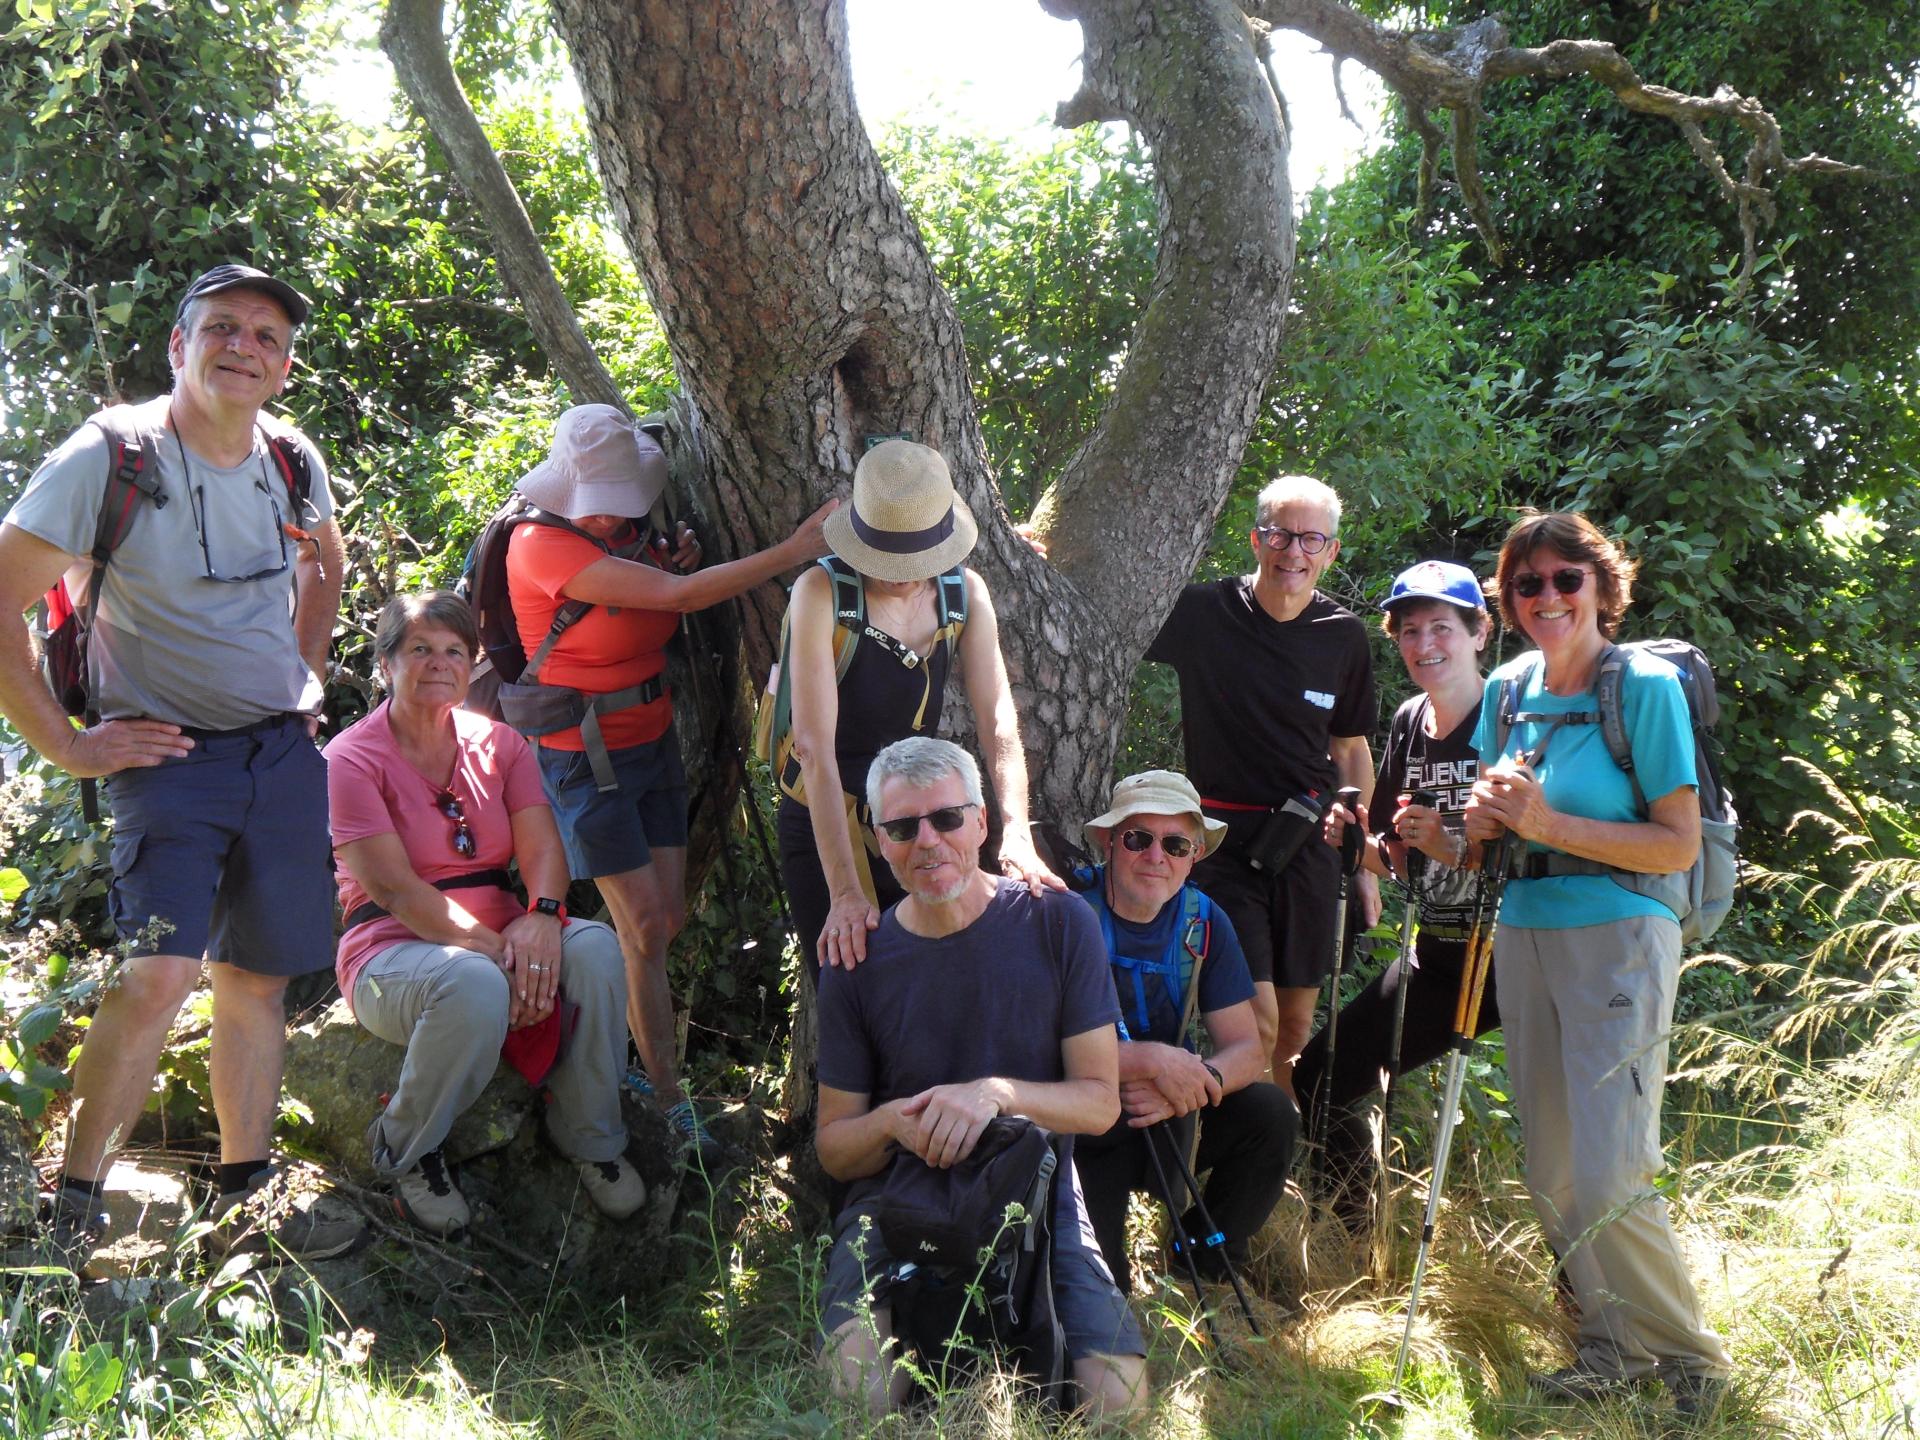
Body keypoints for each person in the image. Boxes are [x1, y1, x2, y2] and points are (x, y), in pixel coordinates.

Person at [0, 263, 360, 1269]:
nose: (244, 345)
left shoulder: (290, 458)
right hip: (165, 759)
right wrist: (65, 744)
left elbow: (327, 560)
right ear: (179, 346)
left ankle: (248, 1191)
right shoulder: (107, 457)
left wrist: (307, 665)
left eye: (267, 337)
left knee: (257, 977)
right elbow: (1, 600)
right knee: (159, 974)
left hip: (282, 755)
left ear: (284, 369)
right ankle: (74, 1202)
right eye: (223, 329)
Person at [503, 403, 834, 1152]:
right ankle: (667, 1097)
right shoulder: (538, 545)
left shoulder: (630, 535)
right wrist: (795, 549)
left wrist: (670, 558)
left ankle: (621, 1052)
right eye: (601, 504)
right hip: (582, 759)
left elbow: (665, 589)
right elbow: (681, 602)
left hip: (650, 744)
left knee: (665, 920)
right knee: (646, 926)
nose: (609, 516)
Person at [1464, 512, 1730, 1411]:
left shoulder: (1643, 687)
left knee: (1614, 1166)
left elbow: (1676, 846)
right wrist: (1456, 832)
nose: (1545, 598)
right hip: (1525, 928)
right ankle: (1613, 1354)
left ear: (1601, 588)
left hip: (1620, 935)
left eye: (1564, 580)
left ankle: (1695, 1365)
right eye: (1525, 584)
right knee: (1554, 1166)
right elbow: (1490, 838)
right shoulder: (1504, 689)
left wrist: (1546, 824)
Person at [814, 737, 1146, 1421]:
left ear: (981, 823)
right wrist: (893, 1123)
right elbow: (836, 1150)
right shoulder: (855, 959)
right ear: (879, 842)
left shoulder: (1058, 923)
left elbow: (1099, 1103)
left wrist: (995, 1095)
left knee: (1118, 1404)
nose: (927, 842)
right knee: (857, 1397)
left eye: (947, 819)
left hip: (1036, 1187)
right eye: (904, 828)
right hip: (896, 1191)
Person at [325, 592, 644, 1233]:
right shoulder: (350, 759)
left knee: (597, 948)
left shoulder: (500, 743)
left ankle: (591, 1139)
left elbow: (542, 847)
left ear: (471, 664)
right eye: (419, 649)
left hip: (504, 926)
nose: (438, 664)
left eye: (453, 651)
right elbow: (394, 890)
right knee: (470, 983)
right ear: (386, 664)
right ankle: (407, 1150)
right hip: (391, 948)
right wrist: (507, 958)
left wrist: (544, 917)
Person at [775, 438, 1060, 981]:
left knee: (952, 974)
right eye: (885, 556)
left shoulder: (965, 594)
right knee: (849, 983)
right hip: (824, 811)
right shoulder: (819, 592)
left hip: (920, 816)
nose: (900, 571)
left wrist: (1017, 830)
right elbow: (814, 750)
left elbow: (997, 719)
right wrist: (844, 893)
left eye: (914, 557)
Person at [1145, 474, 1379, 1096]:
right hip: (1222, 840)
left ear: (1330, 551)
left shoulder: (1343, 636)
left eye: (1310, 539)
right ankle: (1235, 1160)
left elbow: (1351, 750)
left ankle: (1273, 1163)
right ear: (1256, 539)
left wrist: (1365, 863)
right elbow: (1109, 606)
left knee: (1297, 1025)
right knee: (1255, 1020)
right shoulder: (1202, 613)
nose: (1292, 552)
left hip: (1310, 844)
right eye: (1279, 534)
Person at [1294, 560, 1501, 1225]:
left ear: (1480, 633)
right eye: (1409, 632)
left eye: (1442, 628)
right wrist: (1357, 845)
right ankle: (1354, 1244)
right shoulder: (1412, 721)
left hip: (1516, 956)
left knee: (1567, 1131)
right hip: (1436, 954)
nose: (1424, 646)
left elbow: (1538, 851)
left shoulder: (1512, 716)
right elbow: (1397, 859)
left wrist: (1455, 843)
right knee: (1319, 1077)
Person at [1070, 770, 1294, 1293]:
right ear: (1108, 841)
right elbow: (1034, 1045)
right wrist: (1150, 1063)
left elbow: (1248, 1047)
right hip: (1088, 1115)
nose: (1156, 857)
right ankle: (1107, 1274)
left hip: (1173, 1107)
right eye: (1138, 839)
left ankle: (1204, 1260)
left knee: (1270, 1115)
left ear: (1195, 855)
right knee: (1104, 1290)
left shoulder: (1203, 921)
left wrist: (1193, 1082)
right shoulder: (1067, 912)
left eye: (1175, 844)